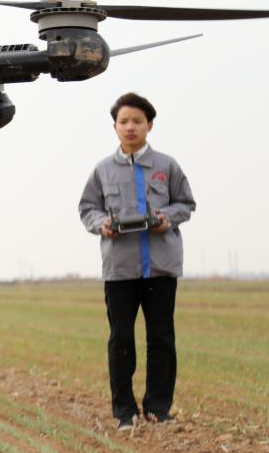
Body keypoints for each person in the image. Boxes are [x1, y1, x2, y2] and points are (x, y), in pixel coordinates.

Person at [79, 92, 196, 431]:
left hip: (160, 267)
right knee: (121, 339)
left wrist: (166, 218)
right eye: (124, 121)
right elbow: (87, 208)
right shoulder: (102, 170)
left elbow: (186, 204)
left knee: (161, 338)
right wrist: (100, 223)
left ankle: (158, 408)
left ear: (150, 125)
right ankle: (124, 412)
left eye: (137, 121)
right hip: (120, 269)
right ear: (115, 127)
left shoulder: (167, 166)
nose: (130, 127)